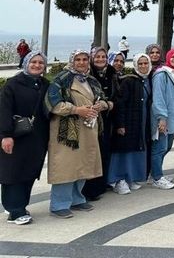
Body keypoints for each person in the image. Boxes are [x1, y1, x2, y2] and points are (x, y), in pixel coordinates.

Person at [45, 50, 109, 218]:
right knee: (65, 166)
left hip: (88, 127)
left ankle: (77, 198)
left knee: (83, 163)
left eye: (85, 59)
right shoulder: (62, 79)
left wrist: (100, 105)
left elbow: (102, 97)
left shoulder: (91, 80)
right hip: (66, 129)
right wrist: (76, 109)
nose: (81, 62)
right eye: (78, 59)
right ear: (72, 60)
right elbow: (52, 103)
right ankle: (59, 204)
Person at [0, 52, 49, 225]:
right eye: (33, 62)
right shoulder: (13, 85)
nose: (37, 65)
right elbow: (4, 110)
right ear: (26, 63)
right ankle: (15, 211)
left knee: (29, 171)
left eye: (40, 62)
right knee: (13, 171)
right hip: (17, 135)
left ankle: (17, 205)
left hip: (37, 137)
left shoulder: (44, 84)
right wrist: (6, 135)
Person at [108, 53, 151, 195]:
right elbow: (120, 104)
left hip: (141, 122)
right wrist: (120, 124)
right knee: (123, 151)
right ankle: (118, 180)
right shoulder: (129, 81)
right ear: (135, 65)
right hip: (128, 121)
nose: (143, 66)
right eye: (140, 64)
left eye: (146, 63)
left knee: (135, 150)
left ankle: (131, 177)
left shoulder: (146, 80)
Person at [82, 46, 118, 201]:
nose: (100, 59)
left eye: (103, 57)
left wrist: (108, 104)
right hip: (89, 118)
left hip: (107, 119)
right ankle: (86, 189)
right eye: (97, 57)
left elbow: (117, 96)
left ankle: (99, 185)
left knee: (103, 153)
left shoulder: (112, 74)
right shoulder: (86, 75)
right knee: (90, 153)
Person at [150, 49, 174, 190]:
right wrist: (161, 118)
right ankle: (157, 177)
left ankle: (156, 173)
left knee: (167, 147)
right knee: (159, 148)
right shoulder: (161, 74)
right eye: (173, 57)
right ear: (168, 57)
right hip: (164, 117)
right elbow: (158, 97)